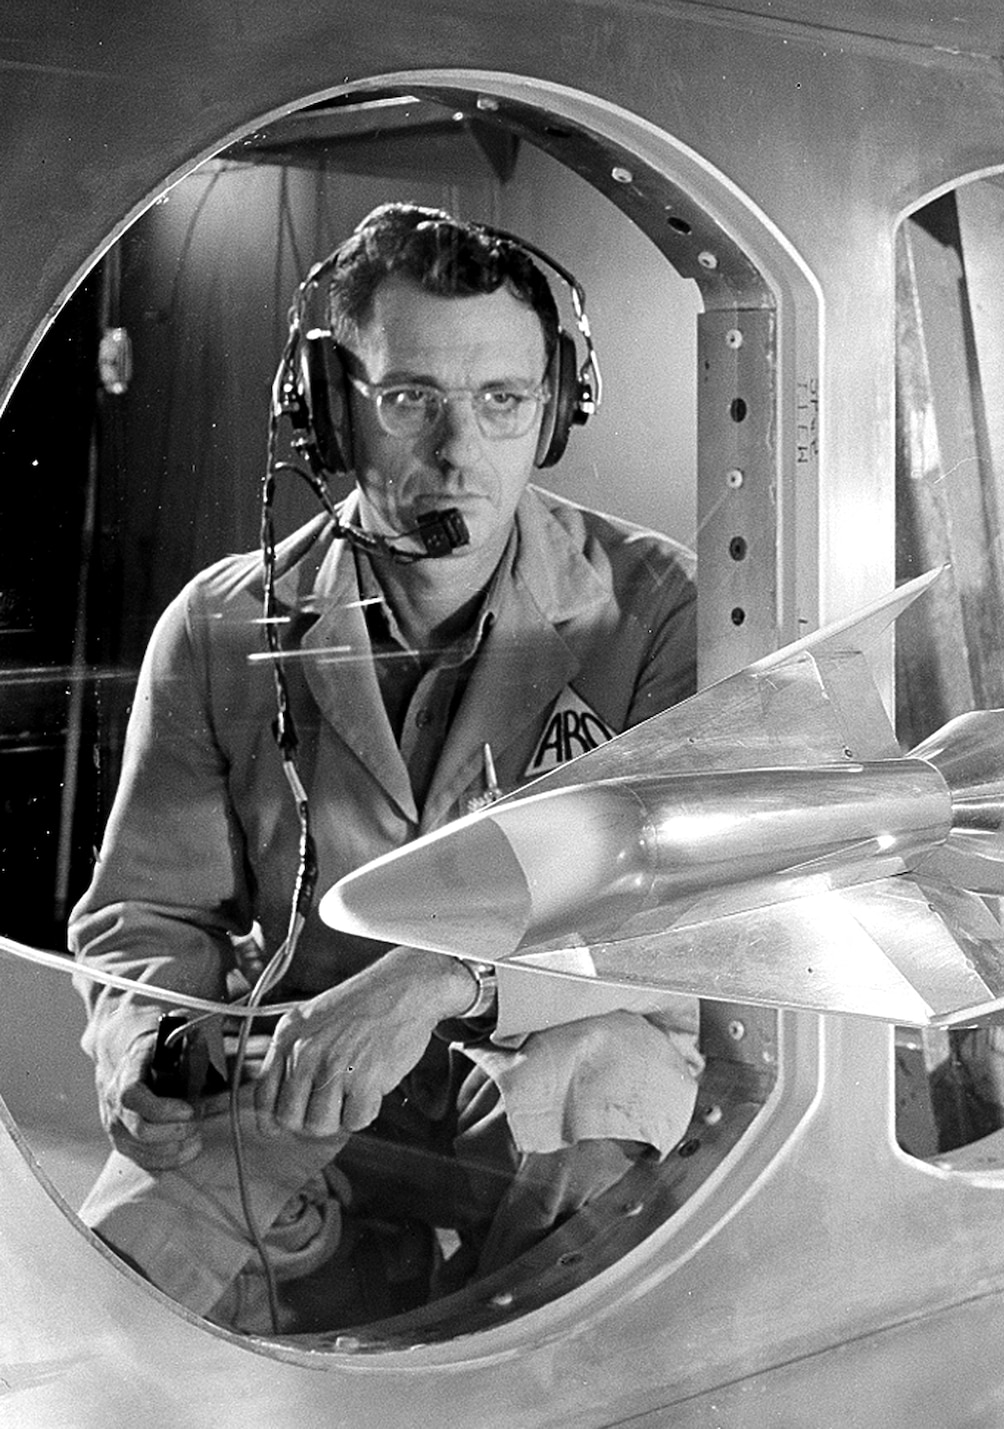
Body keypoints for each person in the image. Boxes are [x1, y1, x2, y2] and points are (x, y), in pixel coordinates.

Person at [69, 203, 703, 1330]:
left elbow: (688, 914)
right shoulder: (221, 627)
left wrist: (436, 982)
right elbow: (147, 914)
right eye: (411, 400)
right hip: (309, 1070)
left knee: (599, 1113)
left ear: (553, 411)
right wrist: (143, 1049)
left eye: (502, 402)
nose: (461, 453)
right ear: (326, 414)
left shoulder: (658, 609)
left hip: (548, 1055)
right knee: (131, 1281)